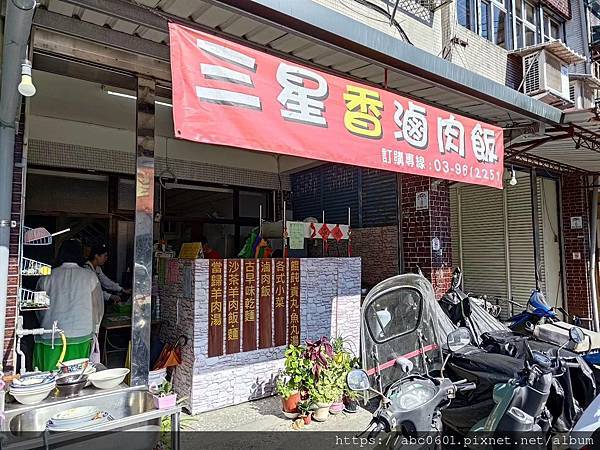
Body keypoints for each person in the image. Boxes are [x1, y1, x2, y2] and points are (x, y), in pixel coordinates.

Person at [35, 239, 104, 371]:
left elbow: (38, 308)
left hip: (51, 336)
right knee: (79, 377)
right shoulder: (90, 276)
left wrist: (44, 323)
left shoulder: (46, 277)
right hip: (82, 335)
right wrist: (95, 330)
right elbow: (98, 308)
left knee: (50, 378)